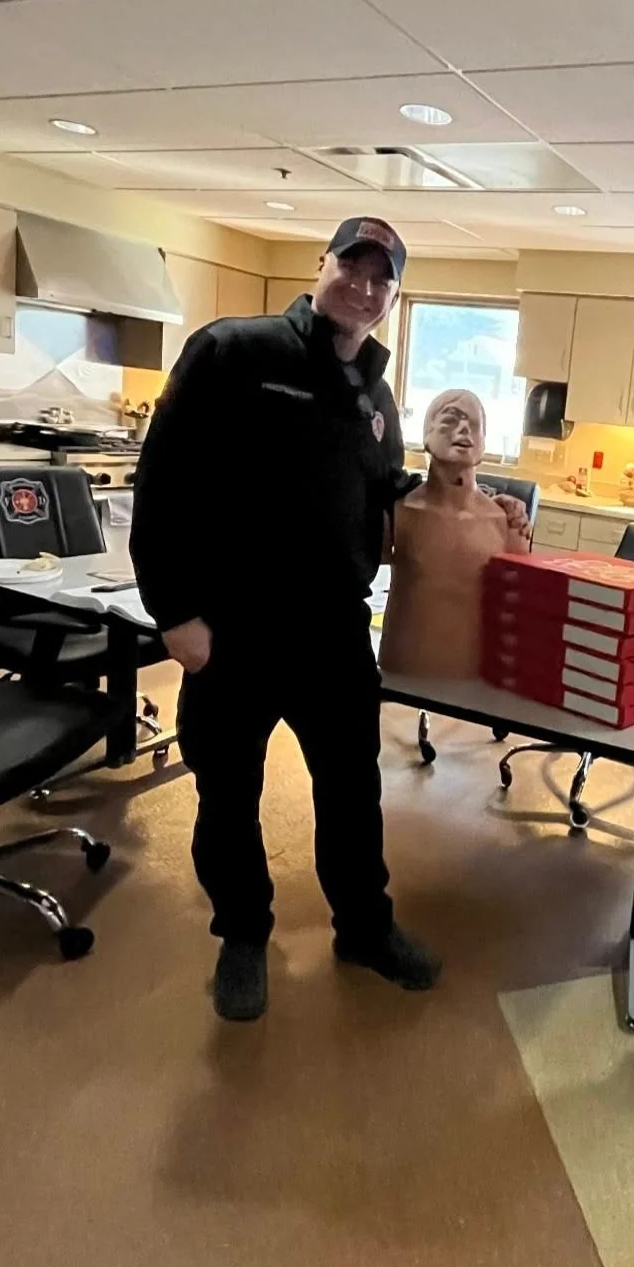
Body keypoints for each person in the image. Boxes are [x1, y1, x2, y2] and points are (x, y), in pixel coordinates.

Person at [130, 217, 528, 1022]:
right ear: (324, 265)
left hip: (333, 632)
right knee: (228, 792)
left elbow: (377, 501)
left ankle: (364, 927)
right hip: (232, 628)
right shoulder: (234, 351)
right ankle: (243, 933)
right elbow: (163, 481)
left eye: (384, 277)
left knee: (351, 792)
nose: (366, 285)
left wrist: (466, 493)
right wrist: (174, 610)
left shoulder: (375, 394)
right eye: (354, 264)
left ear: (392, 295)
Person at [378, 389, 531, 680]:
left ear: (484, 443)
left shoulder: (505, 521)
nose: (463, 429)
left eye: (474, 424)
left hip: (474, 684)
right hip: (403, 675)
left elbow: (521, 610)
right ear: (426, 433)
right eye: (451, 419)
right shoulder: (398, 512)